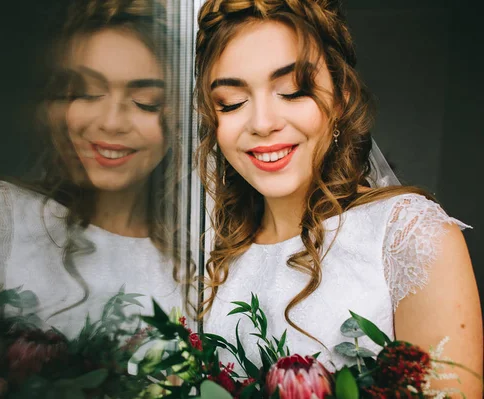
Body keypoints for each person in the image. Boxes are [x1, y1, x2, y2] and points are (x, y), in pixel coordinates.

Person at [194, 0, 483, 396]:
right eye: (232, 102)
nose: (262, 123)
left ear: (342, 97)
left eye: (293, 91)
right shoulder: (210, 252)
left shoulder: (409, 236)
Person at [0, 1, 192, 397]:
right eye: (85, 92)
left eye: (146, 102)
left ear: (179, 119)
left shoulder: (196, 256)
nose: (110, 121)